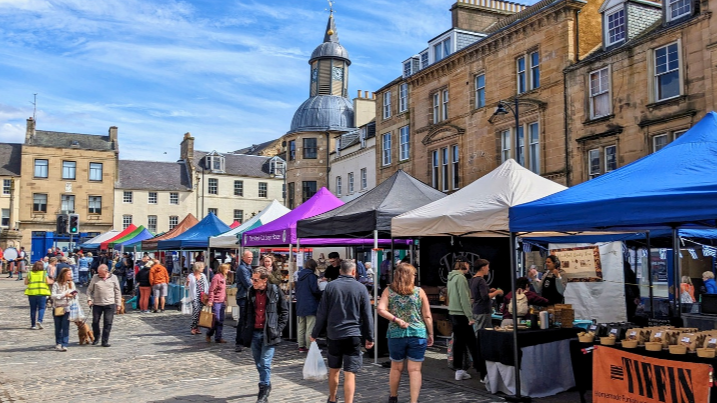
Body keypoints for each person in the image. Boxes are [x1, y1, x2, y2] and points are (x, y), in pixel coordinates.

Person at [311, 261, 374, 403]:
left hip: (334, 334)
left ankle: (332, 398)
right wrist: (370, 336)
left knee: (334, 369)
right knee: (350, 373)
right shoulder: (361, 288)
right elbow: (367, 315)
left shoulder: (330, 287)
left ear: (340, 271)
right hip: (353, 335)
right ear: (353, 272)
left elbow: (322, 313)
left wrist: (314, 333)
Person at [377, 263, 433, 403]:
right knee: (414, 370)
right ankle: (413, 401)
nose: (415, 277)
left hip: (396, 334)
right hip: (417, 333)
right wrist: (431, 333)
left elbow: (381, 309)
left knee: (396, 368)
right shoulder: (419, 292)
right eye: (414, 274)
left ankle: (393, 396)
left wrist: (396, 319)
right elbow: (427, 315)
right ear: (409, 275)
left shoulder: (388, 291)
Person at [239, 267, 288, 403]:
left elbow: (284, 312)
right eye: (252, 279)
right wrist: (244, 329)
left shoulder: (275, 291)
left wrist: (278, 330)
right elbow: (247, 313)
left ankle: (263, 390)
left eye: (255, 279)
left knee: (265, 362)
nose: (252, 282)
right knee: (258, 363)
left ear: (264, 280)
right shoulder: (250, 292)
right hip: (254, 332)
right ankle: (266, 383)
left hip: (269, 332)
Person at [447, 259, 480, 381]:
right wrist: (470, 316)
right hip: (462, 314)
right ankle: (479, 368)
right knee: (471, 342)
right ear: (463, 265)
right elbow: (464, 298)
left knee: (459, 342)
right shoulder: (461, 278)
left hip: (453, 312)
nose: (469, 267)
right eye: (468, 264)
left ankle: (459, 368)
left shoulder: (451, 277)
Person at [87, 264, 121, 347]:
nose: (99, 274)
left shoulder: (113, 278)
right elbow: (89, 290)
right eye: (98, 272)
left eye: (100, 273)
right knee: (95, 322)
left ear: (106, 271)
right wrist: (89, 299)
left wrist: (118, 304)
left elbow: (117, 291)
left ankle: (104, 341)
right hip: (97, 304)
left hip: (109, 304)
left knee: (108, 322)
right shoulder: (95, 277)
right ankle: (96, 337)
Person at [295, 259, 322, 352]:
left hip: (300, 304)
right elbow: (315, 290)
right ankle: (309, 346)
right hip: (310, 304)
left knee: (301, 326)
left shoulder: (299, 276)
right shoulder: (312, 277)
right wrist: (321, 293)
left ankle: (301, 345)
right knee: (310, 326)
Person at [470, 259, 503, 334]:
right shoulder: (481, 280)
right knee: (484, 334)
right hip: (483, 311)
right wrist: (497, 292)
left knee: (479, 331)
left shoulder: (473, 279)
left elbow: (477, 293)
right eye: (487, 267)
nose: (488, 269)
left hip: (476, 310)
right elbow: (485, 297)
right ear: (483, 268)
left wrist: (489, 290)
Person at [51, 267, 77, 351]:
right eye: (69, 274)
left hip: (67, 308)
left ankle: (64, 343)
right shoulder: (56, 284)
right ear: (64, 274)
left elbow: (75, 293)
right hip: (58, 307)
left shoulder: (71, 283)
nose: (70, 276)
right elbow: (53, 295)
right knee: (58, 326)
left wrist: (73, 295)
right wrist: (63, 295)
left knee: (65, 326)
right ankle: (58, 342)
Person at [235, 250, 254, 352]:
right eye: (248, 257)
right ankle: (239, 342)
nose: (250, 259)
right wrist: (253, 281)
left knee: (247, 320)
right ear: (243, 258)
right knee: (242, 320)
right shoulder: (242, 268)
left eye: (251, 257)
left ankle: (245, 340)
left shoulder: (248, 267)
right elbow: (249, 284)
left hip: (247, 297)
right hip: (243, 297)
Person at [206, 263, 229, 343]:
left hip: (222, 302)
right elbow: (211, 290)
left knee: (221, 320)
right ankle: (209, 333)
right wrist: (210, 300)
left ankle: (218, 337)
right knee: (216, 320)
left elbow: (223, 291)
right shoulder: (217, 277)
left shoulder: (224, 278)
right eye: (226, 269)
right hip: (216, 302)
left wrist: (225, 300)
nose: (228, 270)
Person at [25, 261, 51, 330]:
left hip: (32, 293)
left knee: (33, 309)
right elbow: (48, 281)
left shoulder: (30, 273)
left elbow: (26, 282)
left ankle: (33, 325)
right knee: (41, 308)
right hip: (41, 293)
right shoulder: (44, 273)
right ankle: (39, 320)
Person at [186, 262, 209, 334]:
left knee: (200, 313)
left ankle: (197, 327)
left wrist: (207, 294)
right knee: (196, 311)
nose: (203, 268)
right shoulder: (191, 276)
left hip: (203, 297)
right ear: (198, 268)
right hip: (195, 296)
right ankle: (193, 327)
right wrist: (187, 283)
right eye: (202, 267)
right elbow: (187, 287)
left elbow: (206, 285)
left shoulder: (203, 276)